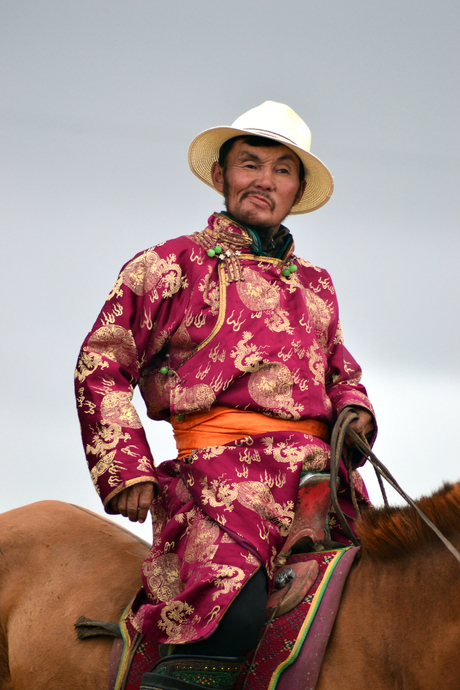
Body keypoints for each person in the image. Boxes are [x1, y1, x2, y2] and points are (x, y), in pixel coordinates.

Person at [75, 101, 375, 690]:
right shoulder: (167, 266)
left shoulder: (317, 285)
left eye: (282, 170)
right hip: (220, 485)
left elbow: (341, 370)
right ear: (221, 176)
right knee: (232, 616)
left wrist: (356, 409)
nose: (265, 180)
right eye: (251, 163)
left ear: (296, 189)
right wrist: (124, 467)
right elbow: (102, 361)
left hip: (322, 488)